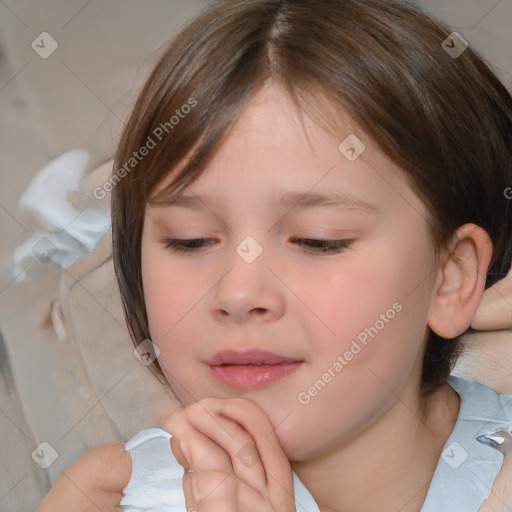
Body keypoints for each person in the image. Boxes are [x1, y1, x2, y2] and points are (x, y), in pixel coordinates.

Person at [38, 0, 512, 510]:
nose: (238, 293)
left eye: (318, 240)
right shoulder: (104, 495)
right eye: (189, 239)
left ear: (451, 277)